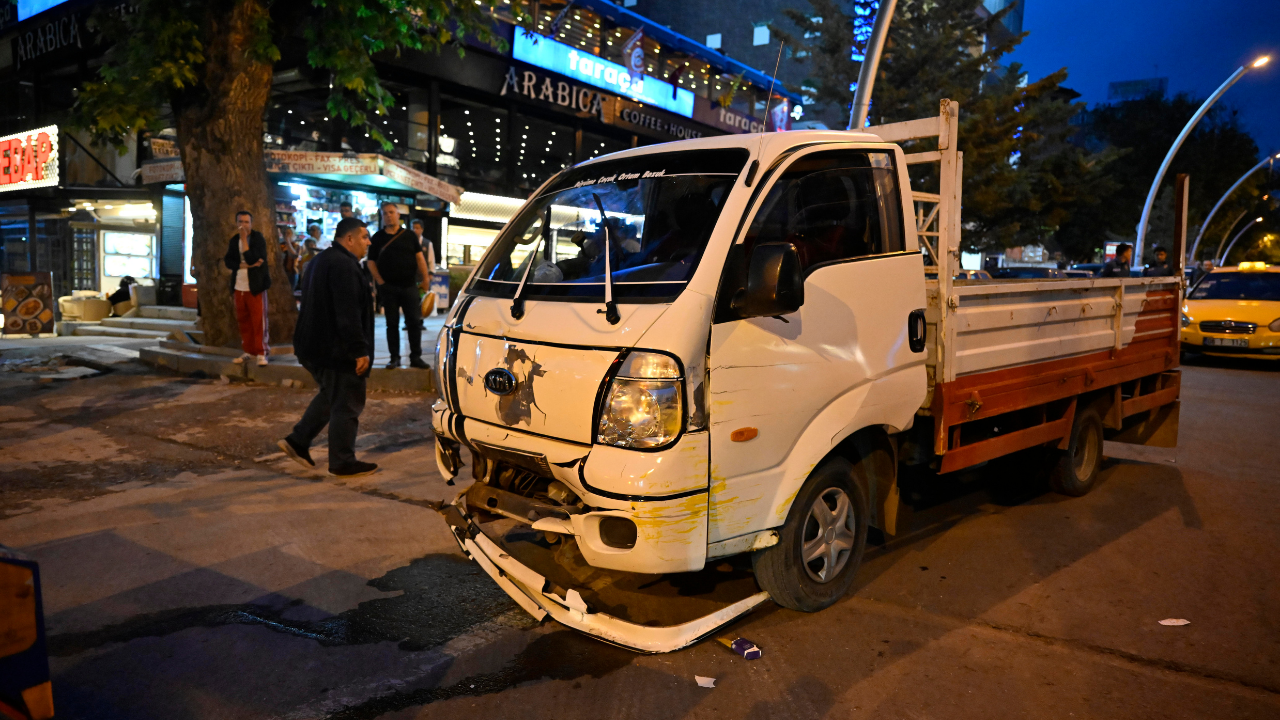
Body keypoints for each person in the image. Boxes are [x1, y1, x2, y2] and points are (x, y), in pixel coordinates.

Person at [278, 217, 378, 478]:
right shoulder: (343, 266)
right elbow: (347, 312)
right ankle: (342, 461)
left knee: (331, 395)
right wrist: (358, 349)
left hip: (313, 346)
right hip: (336, 350)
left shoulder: (320, 261)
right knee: (347, 402)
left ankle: (297, 441)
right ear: (349, 239)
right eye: (365, 237)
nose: (368, 242)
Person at [368, 202, 431, 369]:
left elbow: (420, 259)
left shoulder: (409, 236)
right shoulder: (377, 237)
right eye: (385, 213)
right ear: (382, 217)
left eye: (391, 212)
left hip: (409, 286)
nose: (388, 215)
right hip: (389, 288)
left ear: (398, 215)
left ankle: (415, 357)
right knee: (392, 324)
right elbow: (371, 262)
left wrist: (426, 279)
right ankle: (394, 357)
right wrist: (380, 282)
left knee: (414, 323)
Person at [223, 210, 272, 366]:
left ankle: (261, 352)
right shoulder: (233, 240)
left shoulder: (258, 239)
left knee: (259, 320)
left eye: (246, 222)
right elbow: (229, 261)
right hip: (239, 286)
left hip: (255, 286)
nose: (243, 225)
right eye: (240, 222)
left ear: (251, 223)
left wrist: (244, 241)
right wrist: (243, 265)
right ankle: (249, 350)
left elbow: (255, 258)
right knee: (244, 320)